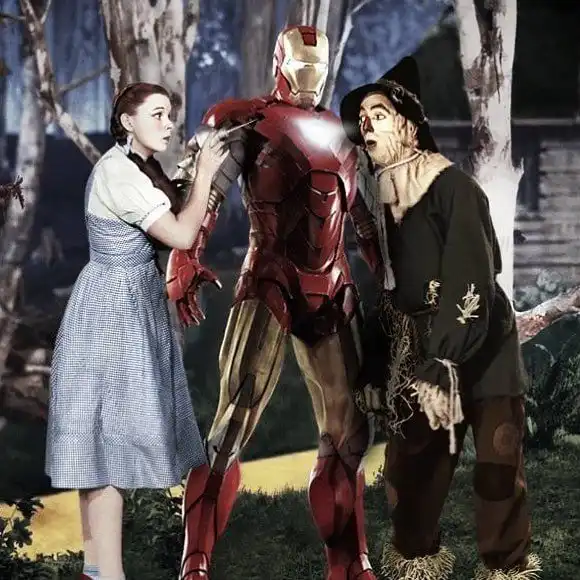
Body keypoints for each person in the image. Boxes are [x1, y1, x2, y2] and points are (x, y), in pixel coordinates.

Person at [165, 25, 389, 580]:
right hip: (270, 277)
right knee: (234, 418)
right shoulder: (244, 118)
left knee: (349, 435)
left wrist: (395, 279)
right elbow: (204, 191)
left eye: (319, 67)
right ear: (280, 64)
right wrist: (185, 254)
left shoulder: (344, 134)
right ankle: (195, 561)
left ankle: (349, 561)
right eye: (301, 66)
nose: (310, 77)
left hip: (333, 287)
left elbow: (365, 223)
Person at [339, 57, 542, 580]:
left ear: (409, 126)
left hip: (481, 344)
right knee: (410, 469)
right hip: (419, 344)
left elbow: (471, 278)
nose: (366, 124)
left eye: (378, 114)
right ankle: (417, 559)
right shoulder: (383, 200)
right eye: (362, 118)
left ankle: (506, 566)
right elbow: (390, 289)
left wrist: (441, 361)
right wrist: (376, 361)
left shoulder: (453, 188)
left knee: (497, 465)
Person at [45, 82, 228, 580]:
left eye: (170, 114)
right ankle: (107, 574)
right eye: (157, 115)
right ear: (128, 122)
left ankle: (97, 571)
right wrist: (206, 175)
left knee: (106, 450)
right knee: (106, 452)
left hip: (129, 308)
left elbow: (173, 213)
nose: (168, 124)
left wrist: (192, 174)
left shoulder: (138, 168)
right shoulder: (118, 173)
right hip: (111, 315)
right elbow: (182, 234)